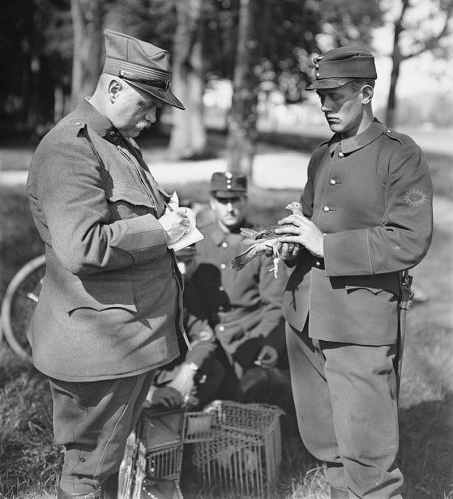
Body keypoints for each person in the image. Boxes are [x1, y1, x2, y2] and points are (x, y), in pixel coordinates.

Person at [26, 28, 195, 499]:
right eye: (145, 104)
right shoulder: (70, 149)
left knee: (102, 465)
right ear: (114, 87)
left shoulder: (117, 144)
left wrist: (171, 227)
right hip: (102, 346)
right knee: (87, 472)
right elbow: (82, 244)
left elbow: (131, 221)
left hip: (126, 339)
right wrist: (161, 233)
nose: (152, 116)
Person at [273, 46, 433, 498]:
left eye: (336, 96)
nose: (325, 106)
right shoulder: (322, 154)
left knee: (367, 449)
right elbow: (307, 217)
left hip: (360, 321)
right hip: (306, 313)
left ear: (366, 93)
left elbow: (409, 238)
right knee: (326, 436)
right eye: (320, 95)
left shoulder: (399, 155)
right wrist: (289, 241)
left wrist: (325, 245)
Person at [188, 171, 291, 406]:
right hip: (206, 340)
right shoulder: (196, 242)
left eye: (235, 200)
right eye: (223, 201)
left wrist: (269, 344)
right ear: (213, 203)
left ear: (244, 200)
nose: (230, 208)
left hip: (248, 341)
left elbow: (276, 304)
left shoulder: (262, 242)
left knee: (246, 404)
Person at [146, 246, 226, 411]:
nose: (181, 269)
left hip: (169, 371)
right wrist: (150, 392)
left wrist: (189, 370)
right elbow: (116, 355)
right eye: (176, 260)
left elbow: (204, 338)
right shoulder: (143, 291)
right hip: (137, 378)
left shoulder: (185, 289)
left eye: (188, 261)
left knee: (214, 370)